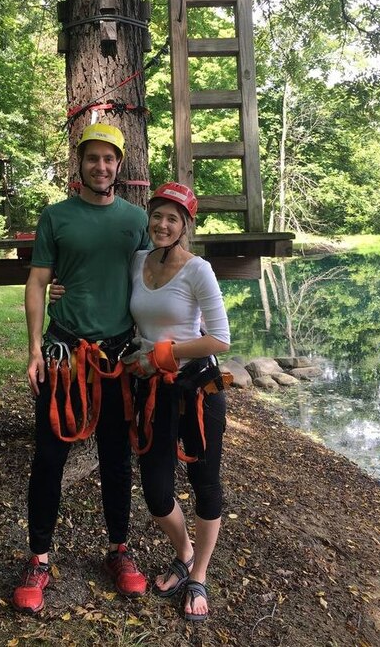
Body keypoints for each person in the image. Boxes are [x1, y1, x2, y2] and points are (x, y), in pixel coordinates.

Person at [12, 122, 150, 615]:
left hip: (115, 356)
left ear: (119, 165)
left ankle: (119, 549)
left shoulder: (136, 220)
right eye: (93, 158)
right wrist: (32, 349)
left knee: (116, 458)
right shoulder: (56, 217)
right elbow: (37, 281)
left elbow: (151, 280)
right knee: (49, 458)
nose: (101, 167)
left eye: (109, 159)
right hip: (64, 353)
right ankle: (39, 558)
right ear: (81, 164)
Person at [122, 182, 230, 622]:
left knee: (204, 482)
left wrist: (160, 354)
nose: (163, 224)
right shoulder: (136, 262)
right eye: (158, 215)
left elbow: (219, 338)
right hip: (153, 392)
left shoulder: (197, 269)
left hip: (196, 390)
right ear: (149, 219)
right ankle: (184, 552)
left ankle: (199, 573)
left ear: (186, 225)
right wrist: (62, 294)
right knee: (157, 492)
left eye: (174, 218)